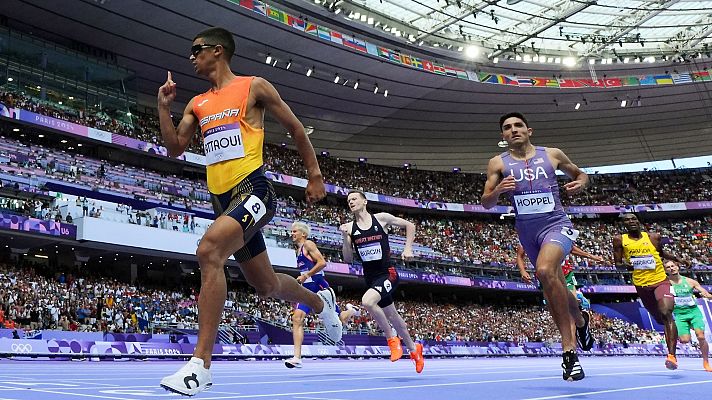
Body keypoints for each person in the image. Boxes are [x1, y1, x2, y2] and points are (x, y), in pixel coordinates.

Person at [157, 27, 342, 396]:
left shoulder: (254, 86)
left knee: (209, 251)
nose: (191, 57)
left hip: (254, 190)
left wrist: (315, 175)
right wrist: (163, 108)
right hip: (222, 199)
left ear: (218, 51)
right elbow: (176, 146)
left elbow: (294, 128)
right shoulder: (197, 103)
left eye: (197, 50)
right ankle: (321, 305)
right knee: (266, 285)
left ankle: (200, 367)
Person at [481, 112, 593, 381]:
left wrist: (581, 181)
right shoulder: (497, 163)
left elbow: (580, 172)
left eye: (518, 125)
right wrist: (497, 192)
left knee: (544, 271)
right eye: (507, 128)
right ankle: (581, 321)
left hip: (556, 225)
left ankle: (569, 353)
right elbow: (486, 201)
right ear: (503, 136)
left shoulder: (552, 154)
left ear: (529, 130)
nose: (513, 130)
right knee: (555, 281)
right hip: (527, 232)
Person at [339, 190, 424, 373]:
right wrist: (345, 239)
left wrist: (407, 248)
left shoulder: (382, 218)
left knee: (367, 302)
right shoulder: (350, 228)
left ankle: (391, 338)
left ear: (364, 201)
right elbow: (347, 259)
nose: (351, 202)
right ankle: (413, 350)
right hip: (370, 278)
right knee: (393, 315)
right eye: (348, 200)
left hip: (388, 273)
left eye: (354, 199)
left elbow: (410, 225)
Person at [613, 213, 687, 370]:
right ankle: (667, 329)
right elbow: (617, 264)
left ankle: (672, 356)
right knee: (659, 318)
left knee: (666, 312)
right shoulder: (619, 240)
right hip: (641, 285)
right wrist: (628, 265)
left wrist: (679, 259)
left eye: (633, 219)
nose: (631, 221)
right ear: (623, 225)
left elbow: (661, 254)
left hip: (660, 280)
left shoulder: (653, 237)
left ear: (638, 221)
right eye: (626, 220)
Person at [284, 221, 361, 369]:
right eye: (292, 232)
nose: (292, 234)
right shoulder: (298, 250)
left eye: (294, 231)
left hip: (319, 286)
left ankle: (352, 310)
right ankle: (297, 357)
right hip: (306, 289)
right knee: (296, 318)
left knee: (340, 319)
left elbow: (322, 263)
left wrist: (306, 275)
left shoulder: (308, 244)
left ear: (303, 234)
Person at [517, 243, 604, 310]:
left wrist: (593, 257)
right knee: (556, 305)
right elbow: (520, 255)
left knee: (572, 305)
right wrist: (523, 271)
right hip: (545, 273)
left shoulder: (556, 229)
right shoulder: (527, 234)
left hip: (565, 272)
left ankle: (576, 299)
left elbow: (572, 249)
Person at [665, 260, 712, 372]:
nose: (671, 268)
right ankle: (690, 327)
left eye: (673, 266)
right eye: (668, 267)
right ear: (665, 270)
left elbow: (705, 293)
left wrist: (707, 295)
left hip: (694, 312)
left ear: (677, 267)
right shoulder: (666, 284)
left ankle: (706, 362)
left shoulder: (691, 282)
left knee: (701, 336)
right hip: (680, 315)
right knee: (685, 340)